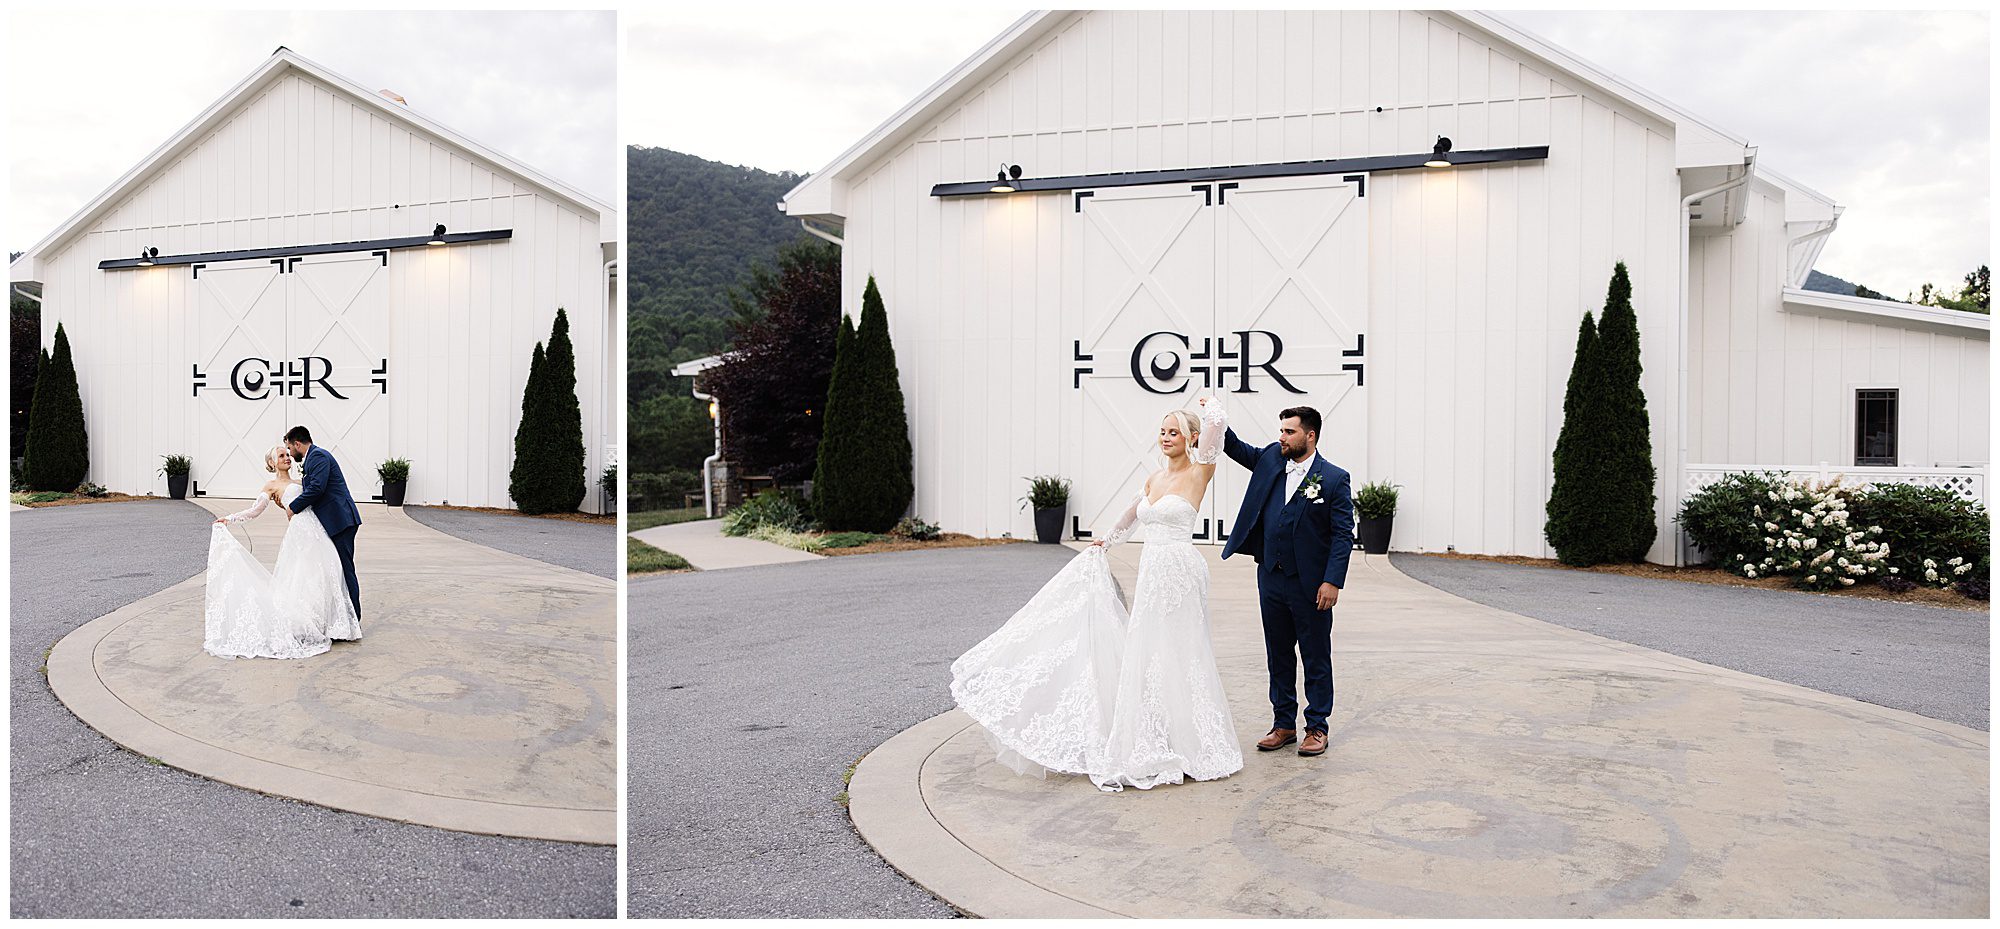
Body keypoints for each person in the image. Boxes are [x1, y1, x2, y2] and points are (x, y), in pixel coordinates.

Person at [951, 397, 1243, 792]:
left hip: (1180, 570)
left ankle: (1194, 742)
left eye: (1174, 432)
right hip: (1152, 571)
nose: (1166, 438)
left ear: (1189, 437)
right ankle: (1158, 734)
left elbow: (1214, 435)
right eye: (1162, 431)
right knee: (1149, 652)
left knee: (1180, 651)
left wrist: (1213, 410)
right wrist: (1106, 543)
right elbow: (1131, 514)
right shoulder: (1153, 479)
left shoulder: (1199, 472)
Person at [1219, 405, 1354, 758]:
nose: (1281, 437)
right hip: (1271, 578)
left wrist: (1332, 581)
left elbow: (1343, 536)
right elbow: (1234, 447)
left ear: (1310, 436)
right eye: (1281, 430)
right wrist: (1216, 418)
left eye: (1289, 432)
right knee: (1278, 655)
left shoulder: (1335, 478)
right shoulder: (1271, 460)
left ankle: (1317, 727)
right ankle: (1283, 724)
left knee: (1315, 656)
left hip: (1311, 585)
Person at [203, 444, 362, 659]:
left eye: (288, 454)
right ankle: (305, 624)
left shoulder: (301, 482)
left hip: (318, 531)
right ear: (272, 462)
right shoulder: (271, 486)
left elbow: (316, 496)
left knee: (326, 573)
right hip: (299, 534)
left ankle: (327, 624)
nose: (287, 457)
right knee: (301, 576)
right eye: (281, 455)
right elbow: (255, 510)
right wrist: (230, 519)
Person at [282, 425, 363, 623]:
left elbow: (317, 488)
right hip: (334, 521)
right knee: (336, 570)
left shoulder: (318, 456)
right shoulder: (313, 458)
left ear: (298, 444)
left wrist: (293, 506)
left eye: (290, 449)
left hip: (341, 520)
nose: (290, 455)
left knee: (345, 569)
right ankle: (341, 617)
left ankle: (353, 619)